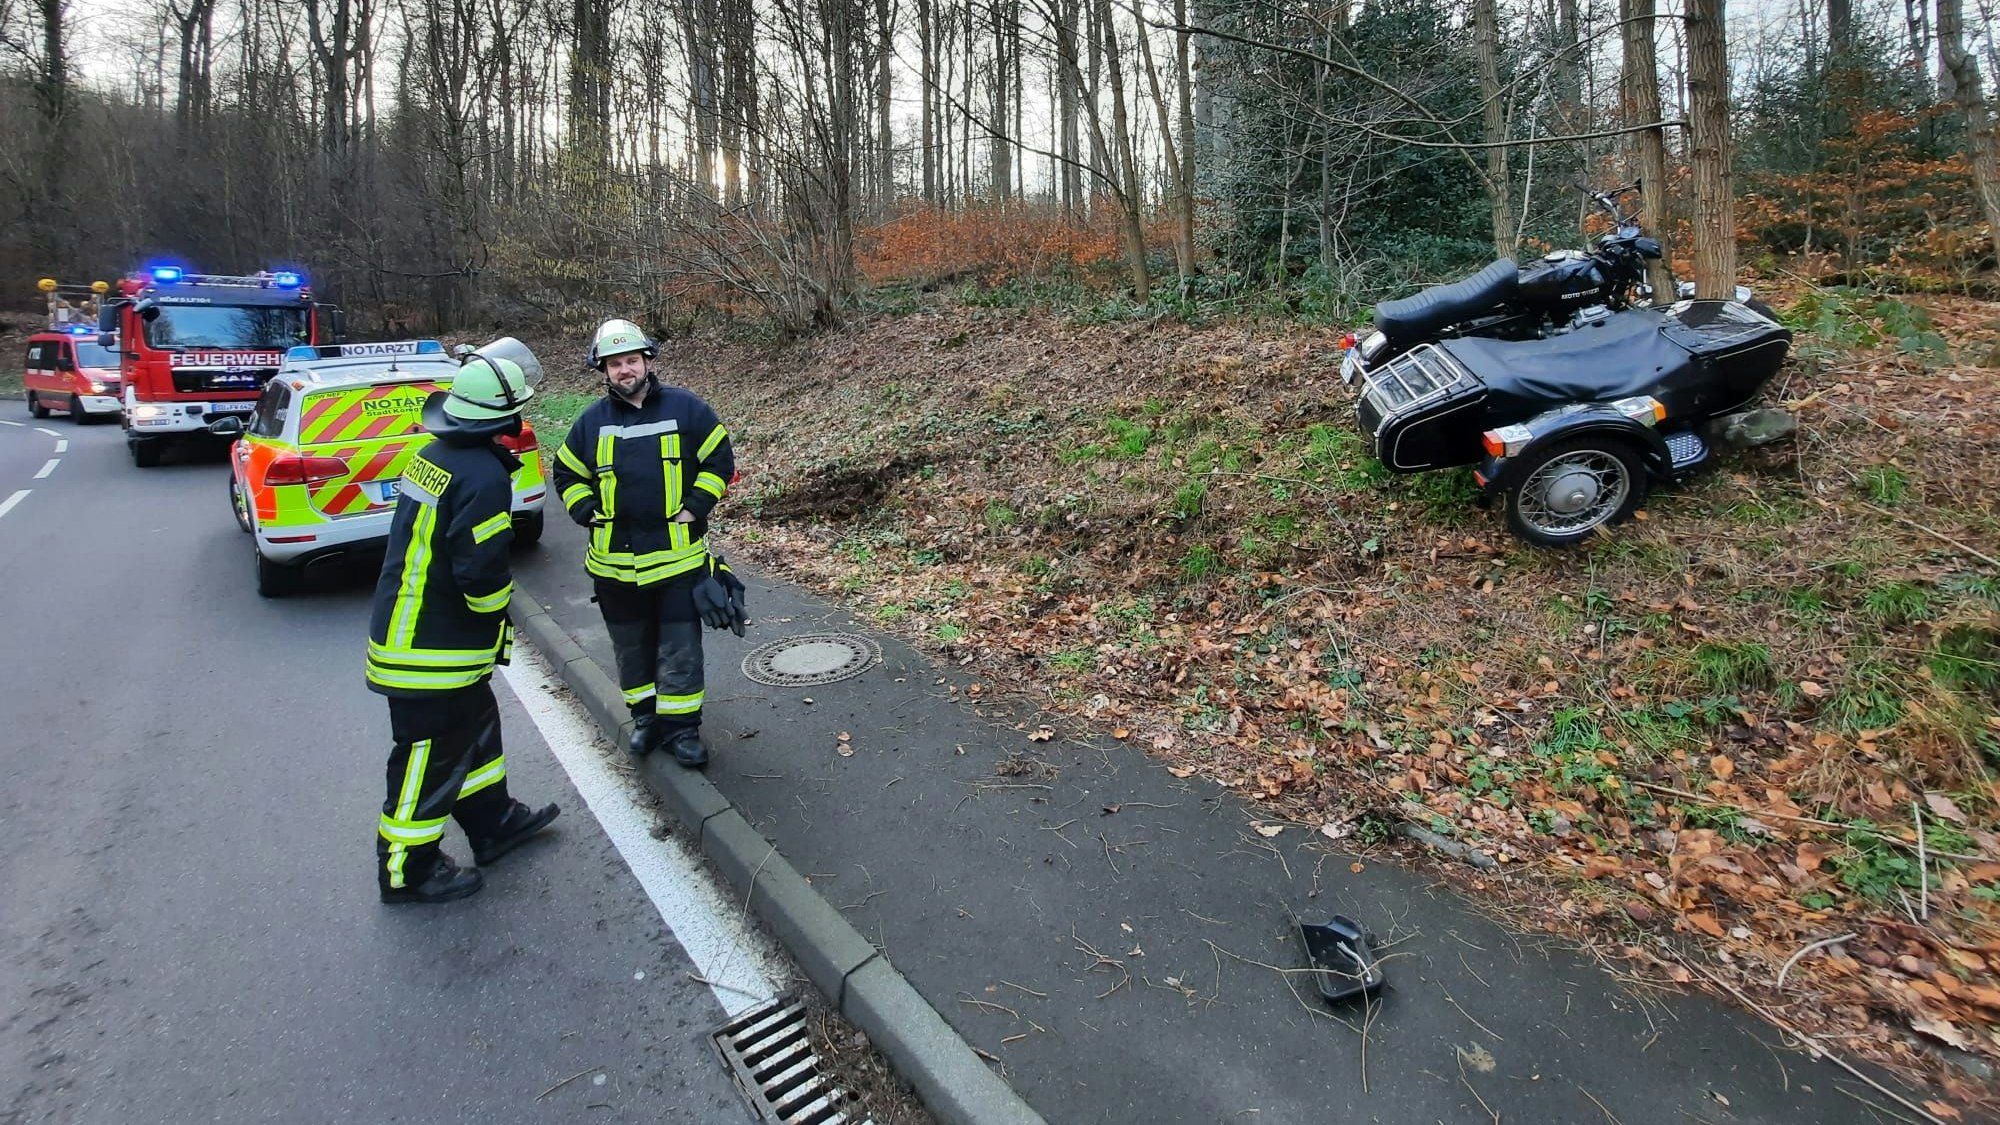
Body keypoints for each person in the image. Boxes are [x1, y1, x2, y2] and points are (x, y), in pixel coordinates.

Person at [366, 343, 560, 904]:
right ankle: (406, 869)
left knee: (476, 733)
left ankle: (493, 822)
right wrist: (501, 615)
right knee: (427, 758)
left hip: (416, 631)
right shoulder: (481, 475)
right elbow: (479, 574)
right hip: (431, 650)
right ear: (505, 415)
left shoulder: (434, 455)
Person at [550, 318, 742, 769]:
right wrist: (584, 509)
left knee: (679, 650)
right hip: (614, 567)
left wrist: (696, 506)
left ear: (647, 360)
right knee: (631, 651)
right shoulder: (591, 423)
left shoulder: (687, 408)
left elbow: (719, 458)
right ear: (604, 370)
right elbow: (566, 472)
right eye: (615, 363)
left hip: (678, 562)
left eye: (631, 360)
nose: (624, 370)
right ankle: (646, 720)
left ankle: (683, 730)